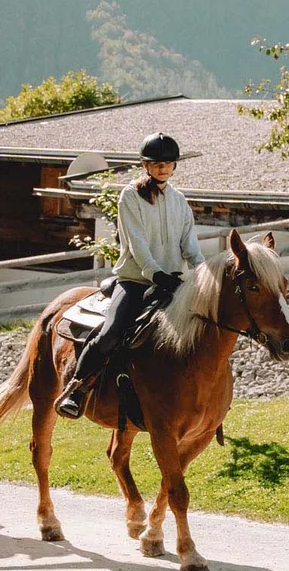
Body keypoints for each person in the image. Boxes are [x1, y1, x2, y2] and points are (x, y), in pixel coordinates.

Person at [56, 132, 205, 419]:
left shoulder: (179, 201)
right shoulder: (131, 195)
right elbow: (136, 244)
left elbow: (191, 246)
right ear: (145, 165)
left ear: (174, 166)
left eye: (167, 163)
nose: (162, 168)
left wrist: (203, 274)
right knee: (111, 331)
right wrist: (155, 274)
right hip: (135, 281)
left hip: (174, 282)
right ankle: (77, 389)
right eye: (156, 163)